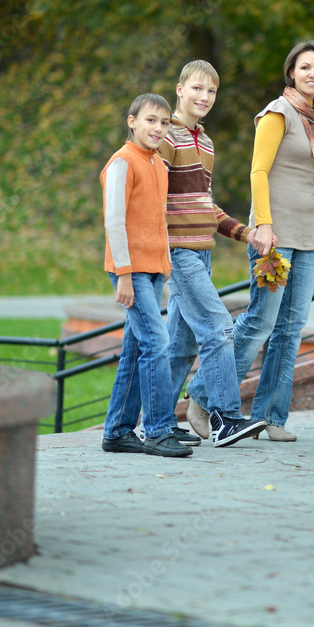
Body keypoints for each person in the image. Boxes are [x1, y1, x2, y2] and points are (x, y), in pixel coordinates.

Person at [185, 41, 314, 441]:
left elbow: (310, 187)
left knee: (291, 328)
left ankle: (272, 416)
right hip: (274, 235)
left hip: (307, 236)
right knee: (261, 320)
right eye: (305, 67)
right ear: (292, 72)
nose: (312, 74)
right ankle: (202, 396)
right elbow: (259, 171)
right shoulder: (278, 112)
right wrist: (264, 225)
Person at [161, 60, 267, 447]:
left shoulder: (205, 143)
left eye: (211, 91)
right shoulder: (165, 136)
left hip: (202, 253)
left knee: (180, 346)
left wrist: (246, 234)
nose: (205, 97)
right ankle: (225, 418)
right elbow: (155, 201)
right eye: (197, 89)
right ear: (180, 90)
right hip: (179, 253)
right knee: (220, 327)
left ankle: (157, 423)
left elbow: (204, 205)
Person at [100, 93, 193, 458]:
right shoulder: (123, 162)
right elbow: (114, 221)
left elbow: (158, 221)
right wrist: (123, 273)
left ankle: (118, 431)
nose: (157, 128)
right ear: (132, 121)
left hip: (154, 270)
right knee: (158, 343)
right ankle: (156, 430)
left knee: (137, 346)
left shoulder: (158, 164)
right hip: (131, 270)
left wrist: (166, 265)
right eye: (151, 120)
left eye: (164, 122)